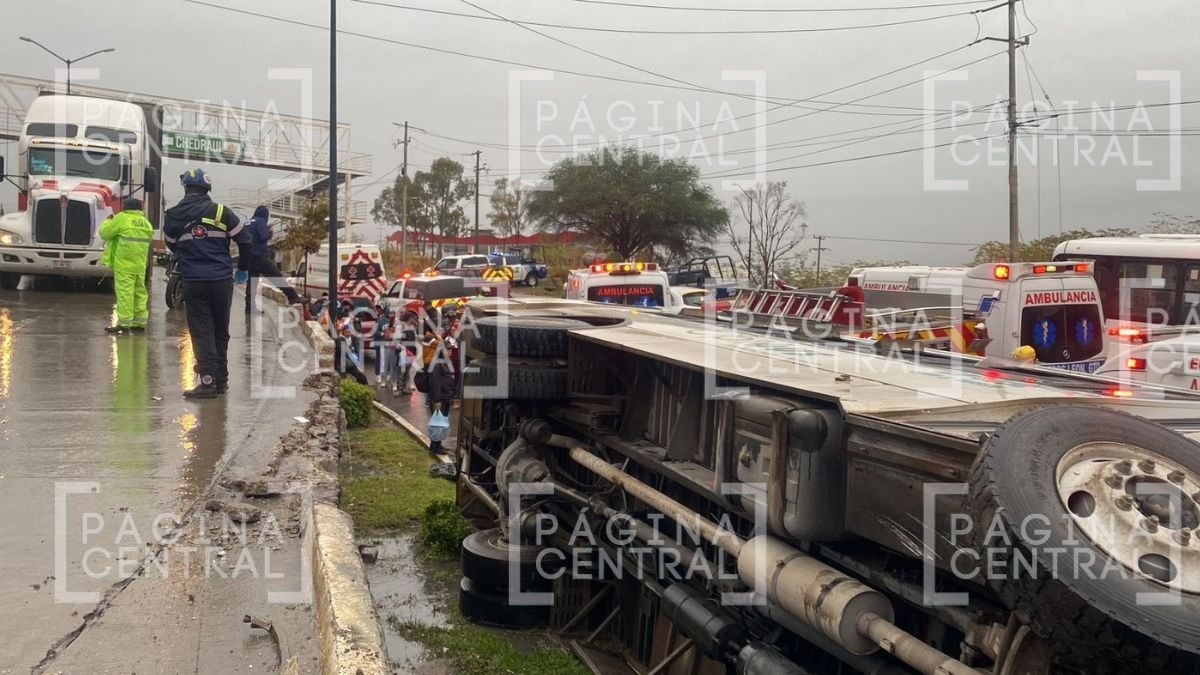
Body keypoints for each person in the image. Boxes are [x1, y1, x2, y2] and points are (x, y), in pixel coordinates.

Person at [163, 169, 251, 398]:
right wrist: (242, 269)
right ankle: (221, 380)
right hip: (222, 280)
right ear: (207, 189)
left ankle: (207, 382)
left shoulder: (174, 214)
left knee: (202, 331)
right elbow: (245, 241)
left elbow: (171, 244)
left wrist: (190, 250)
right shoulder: (222, 212)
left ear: (185, 188)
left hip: (194, 280)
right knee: (220, 330)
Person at [99, 198, 155, 334]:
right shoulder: (146, 223)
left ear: (125, 208)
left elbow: (104, 233)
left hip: (124, 264)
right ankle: (139, 323)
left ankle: (124, 324)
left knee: (125, 293)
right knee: (140, 293)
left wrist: (107, 221)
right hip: (140, 265)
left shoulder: (122, 218)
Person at [243, 205, 302, 313]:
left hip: (248, 257)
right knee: (276, 276)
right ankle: (292, 296)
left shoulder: (247, 223)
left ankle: (249, 307)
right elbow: (264, 236)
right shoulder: (260, 221)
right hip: (259, 256)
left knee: (252, 283)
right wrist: (269, 232)